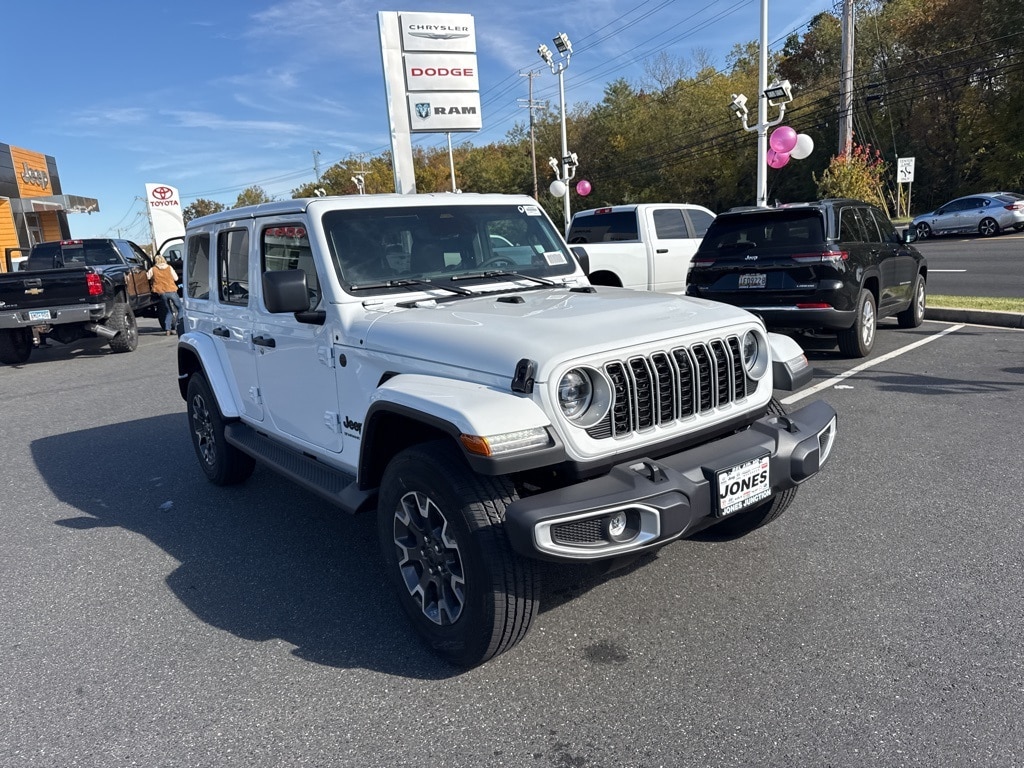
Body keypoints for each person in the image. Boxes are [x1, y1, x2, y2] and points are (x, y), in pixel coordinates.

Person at [147, 254, 182, 335]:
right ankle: (177, 326)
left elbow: (147, 277)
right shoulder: (169, 267)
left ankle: (167, 329)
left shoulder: (153, 269)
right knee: (180, 309)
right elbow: (176, 278)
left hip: (162, 292)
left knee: (168, 311)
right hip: (172, 290)